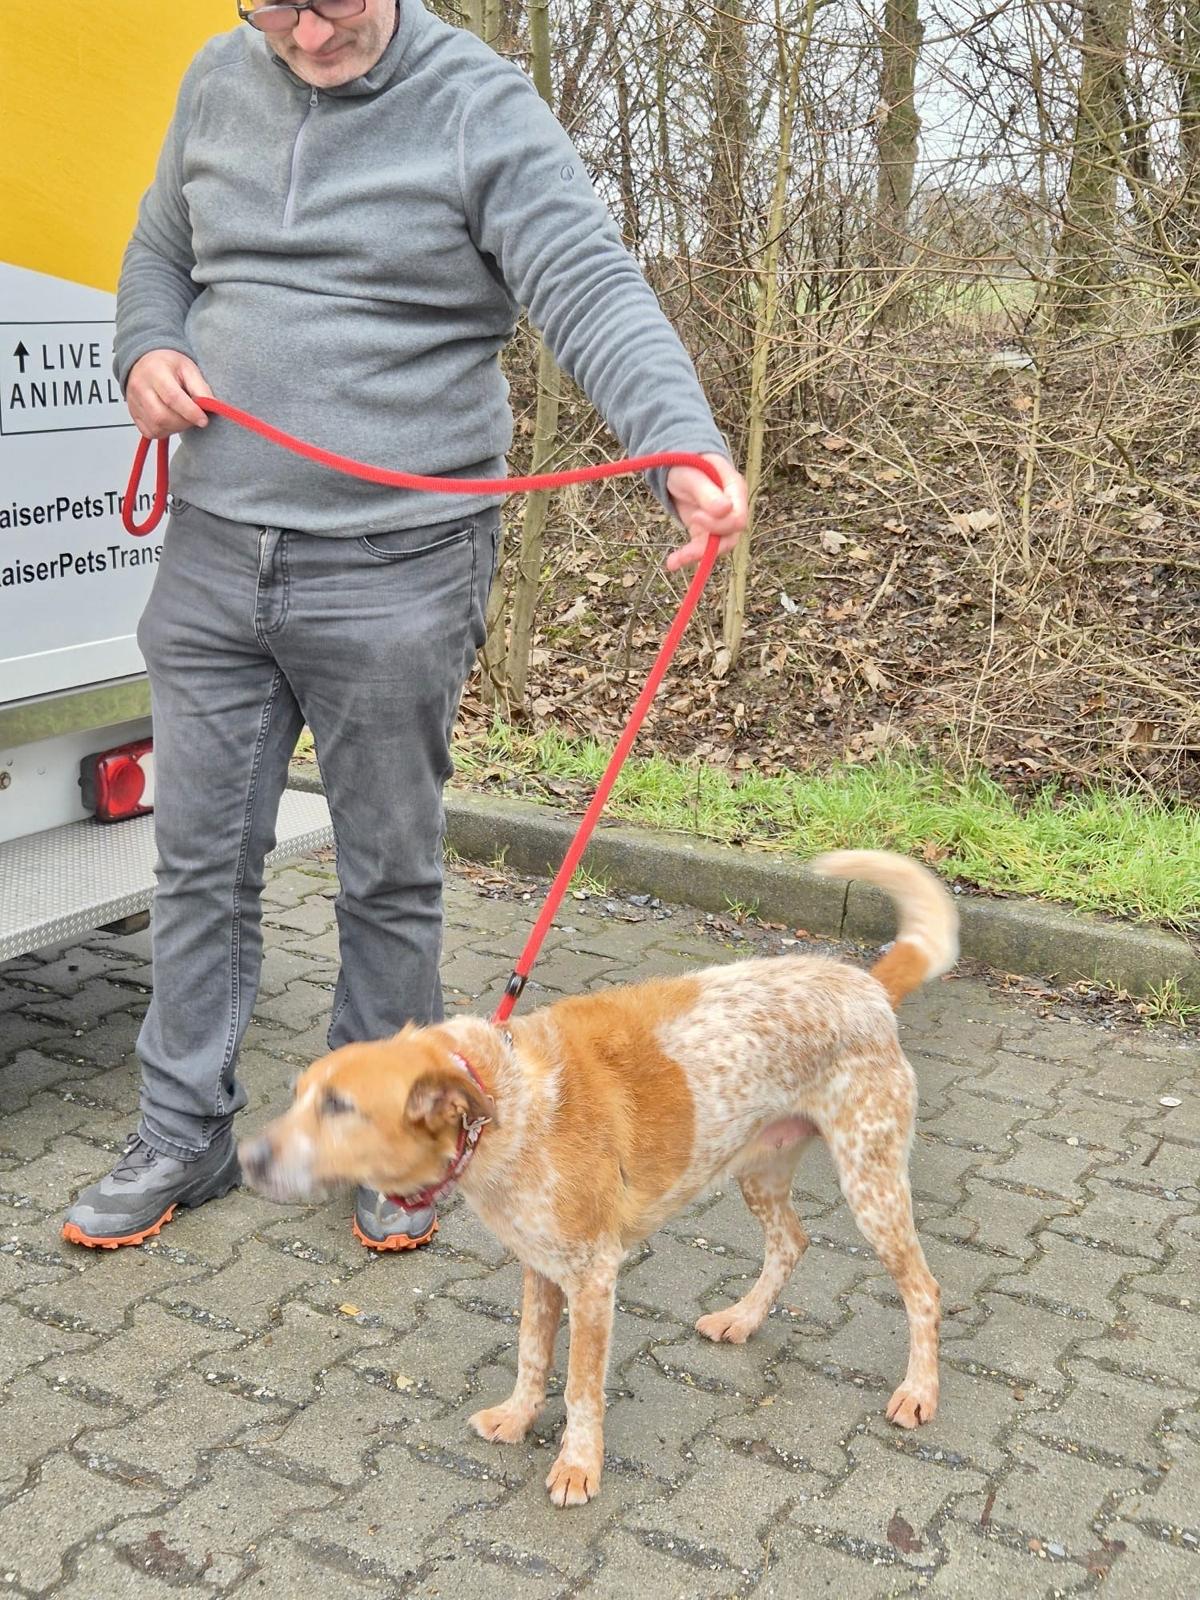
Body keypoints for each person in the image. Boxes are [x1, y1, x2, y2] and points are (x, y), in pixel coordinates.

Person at [62, 0, 748, 1251]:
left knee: (385, 869)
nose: (311, 34)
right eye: (276, 8)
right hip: (215, 548)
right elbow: (160, 251)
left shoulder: (479, 106)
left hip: (396, 562)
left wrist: (680, 445)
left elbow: (589, 285)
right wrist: (146, 347)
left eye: (336, 2)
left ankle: (392, 1142)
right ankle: (180, 1128)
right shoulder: (216, 77)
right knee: (197, 860)